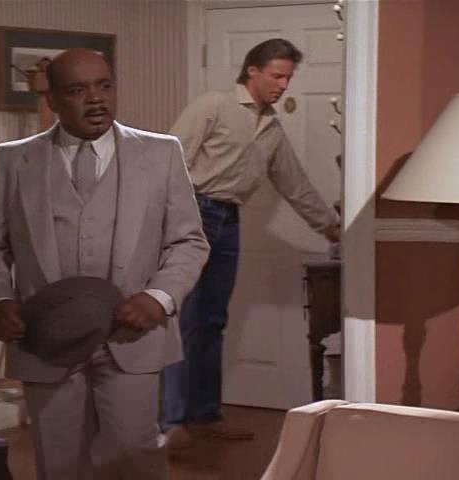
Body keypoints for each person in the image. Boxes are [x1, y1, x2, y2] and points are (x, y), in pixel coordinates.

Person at [0, 48, 209, 479]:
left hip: (132, 335)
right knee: (59, 460)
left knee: (134, 454)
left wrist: (158, 297)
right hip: (46, 337)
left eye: (104, 85)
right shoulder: (11, 160)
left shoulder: (161, 153)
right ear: (53, 99)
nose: (96, 99)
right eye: (78, 90)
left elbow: (188, 240)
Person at [162, 38, 340, 449]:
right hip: (194, 213)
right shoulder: (214, 105)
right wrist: (167, 223)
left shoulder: (271, 129)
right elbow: (170, 161)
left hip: (228, 219)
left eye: (288, 78)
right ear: (253, 71)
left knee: (212, 322)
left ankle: (204, 416)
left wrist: (332, 228)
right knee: (186, 321)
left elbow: (295, 184)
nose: (283, 85)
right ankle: (170, 424)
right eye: (277, 76)